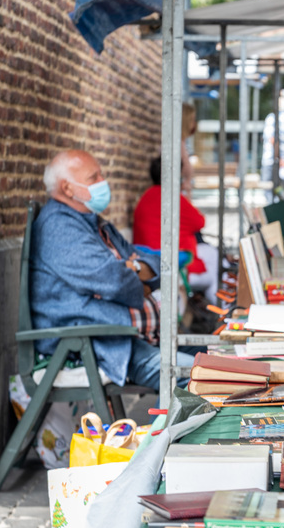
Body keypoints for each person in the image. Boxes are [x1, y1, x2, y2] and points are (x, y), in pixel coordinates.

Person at [30, 150, 194, 392]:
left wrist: (133, 268)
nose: (102, 182)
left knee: (213, 360)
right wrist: (135, 275)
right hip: (101, 346)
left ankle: (166, 426)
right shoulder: (58, 227)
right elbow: (115, 280)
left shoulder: (95, 223)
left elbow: (153, 263)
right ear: (67, 188)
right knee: (199, 377)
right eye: (93, 177)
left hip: (134, 338)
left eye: (101, 175)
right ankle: (165, 430)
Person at [133, 156, 220, 303]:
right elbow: (199, 222)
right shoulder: (171, 197)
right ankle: (221, 311)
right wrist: (186, 194)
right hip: (171, 262)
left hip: (153, 258)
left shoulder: (146, 196)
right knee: (214, 267)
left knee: (212, 254)